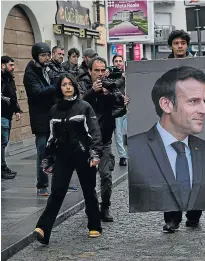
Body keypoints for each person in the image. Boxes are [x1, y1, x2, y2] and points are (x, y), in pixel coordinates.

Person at [127, 66, 205, 233]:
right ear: (166, 104)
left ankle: (194, 216)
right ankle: (172, 219)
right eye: (193, 101)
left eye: (204, 101)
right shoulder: (136, 149)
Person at [33, 73, 103, 244]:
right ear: (60, 88)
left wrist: (95, 153)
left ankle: (95, 225)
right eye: (64, 84)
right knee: (57, 191)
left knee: (89, 191)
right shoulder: (54, 110)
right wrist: (48, 158)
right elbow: (51, 137)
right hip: (63, 156)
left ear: (74, 86)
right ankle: (43, 228)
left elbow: (94, 132)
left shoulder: (84, 106)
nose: (67, 87)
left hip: (83, 154)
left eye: (70, 84)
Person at [78, 57, 129, 222]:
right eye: (96, 71)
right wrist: (92, 90)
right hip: (86, 141)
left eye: (102, 70)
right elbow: (77, 106)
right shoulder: (82, 85)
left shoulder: (109, 85)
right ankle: (91, 207)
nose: (100, 74)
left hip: (105, 139)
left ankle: (105, 206)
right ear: (90, 71)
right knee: (89, 179)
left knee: (106, 176)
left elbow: (117, 110)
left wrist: (122, 104)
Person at [24, 42, 56, 196]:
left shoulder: (48, 68)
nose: (46, 58)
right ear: (36, 56)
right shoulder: (30, 72)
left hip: (53, 114)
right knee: (42, 150)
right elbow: (37, 92)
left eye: (48, 55)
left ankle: (59, 181)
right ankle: (42, 184)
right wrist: (55, 87)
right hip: (40, 116)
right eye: (43, 55)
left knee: (59, 149)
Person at [1, 56, 22, 179]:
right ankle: (2, 168)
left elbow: (13, 94)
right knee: (2, 143)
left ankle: (3, 167)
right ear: (3, 65)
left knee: (3, 143)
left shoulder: (9, 78)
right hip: (2, 114)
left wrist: (17, 109)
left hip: (7, 114)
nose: (13, 67)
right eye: (11, 65)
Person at [110, 54, 128, 166]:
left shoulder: (128, 74)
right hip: (116, 108)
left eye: (120, 61)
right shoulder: (111, 75)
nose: (118, 63)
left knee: (128, 132)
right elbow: (113, 86)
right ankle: (122, 156)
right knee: (118, 134)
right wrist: (122, 78)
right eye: (116, 61)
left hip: (127, 107)